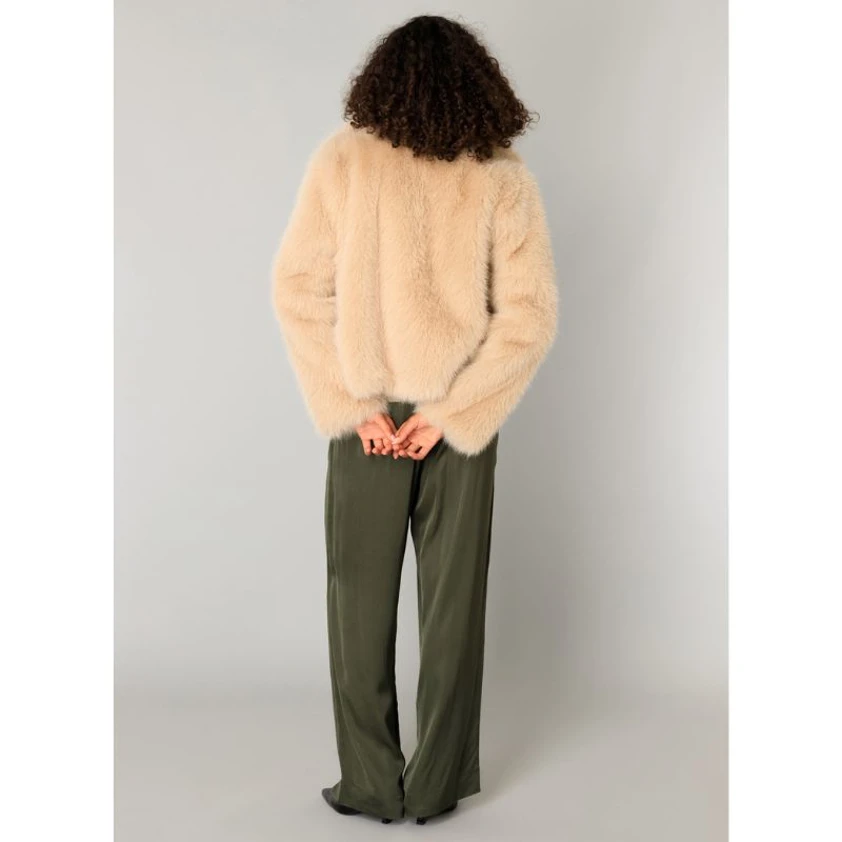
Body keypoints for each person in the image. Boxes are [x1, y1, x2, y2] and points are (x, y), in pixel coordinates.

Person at [272, 14, 557, 825]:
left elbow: (296, 289)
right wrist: (454, 413)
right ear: (480, 84)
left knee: (356, 604)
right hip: (457, 420)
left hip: (371, 423)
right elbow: (529, 316)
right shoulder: (501, 174)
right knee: (454, 605)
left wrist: (353, 408)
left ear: (382, 81)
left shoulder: (343, 160)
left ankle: (370, 782)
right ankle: (435, 786)